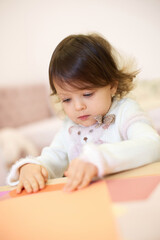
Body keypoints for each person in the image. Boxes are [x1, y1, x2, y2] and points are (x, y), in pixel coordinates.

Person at [7, 33, 160, 193]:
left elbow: (152, 144)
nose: (78, 106)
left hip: (130, 192)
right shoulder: (69, 126)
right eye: (66, 99)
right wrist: (33, 167)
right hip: (88, 200)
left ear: (112, 86)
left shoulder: (126, 111)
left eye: (87, 94)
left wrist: (99, 159)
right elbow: (53, 157)